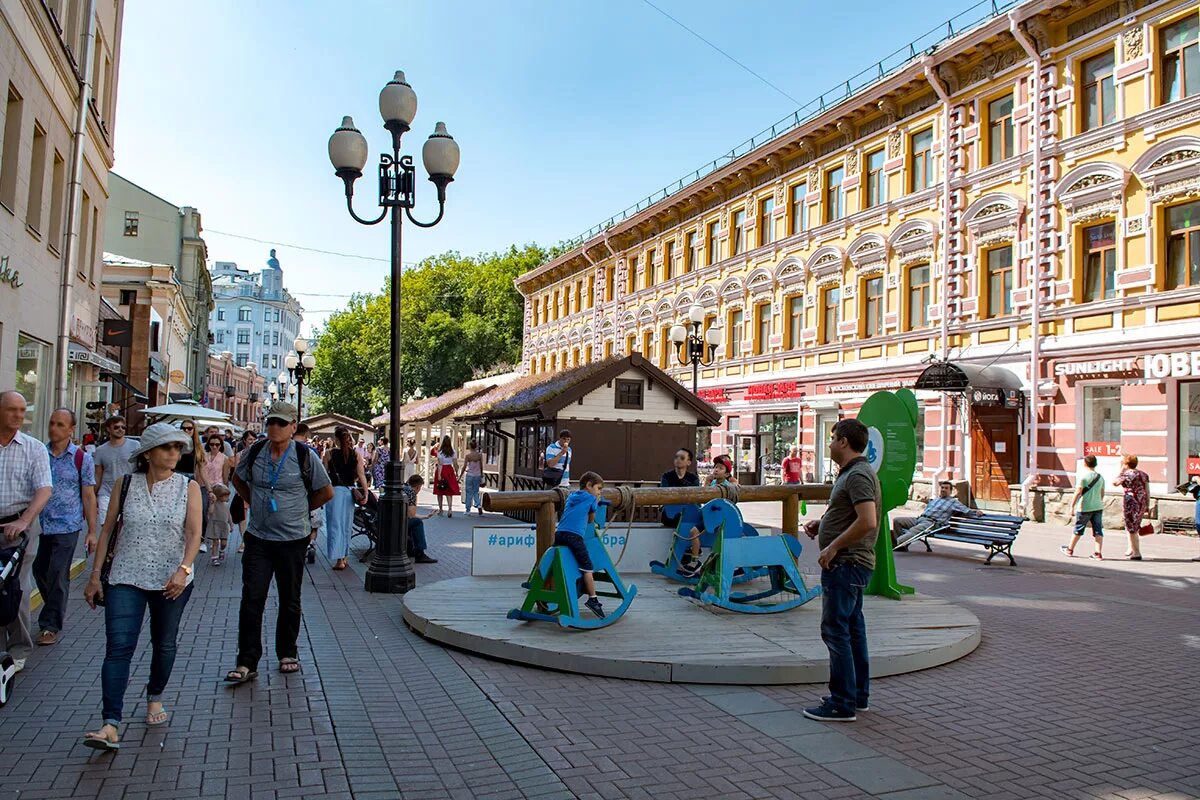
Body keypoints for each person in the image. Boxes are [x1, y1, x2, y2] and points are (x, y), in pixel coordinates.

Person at [81, 422, 202, 750]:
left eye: (178, 448)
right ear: (147, 454)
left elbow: (194, 534)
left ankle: (155, 695)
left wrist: (184, 569)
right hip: (125, 575)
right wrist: (95, 576)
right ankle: (110, 723)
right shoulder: (125, 484)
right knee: (119, 647)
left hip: (171, 579)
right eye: (167, 447)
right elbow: (107, 532)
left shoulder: (187, 487)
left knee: (164, 643)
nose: (174, 453)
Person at [226, 402, 332, 683]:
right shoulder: (255, 452)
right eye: (271, 422)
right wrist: (253, 501)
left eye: (281, 423)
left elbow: (326, 491)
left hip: (293, 540)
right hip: (259, 538)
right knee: (252, 599)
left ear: (293, 426)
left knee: (289, 598)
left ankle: (287, 652)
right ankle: (247, 661)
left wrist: (302, 510)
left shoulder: (304, 455)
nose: (274, 427)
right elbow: (237, 479)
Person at [799, 419, 880, 723]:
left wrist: (833, 546)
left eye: (833, 438)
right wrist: (824, 526)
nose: (830, 443)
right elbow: (852, 514)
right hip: (850, 563)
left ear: (844, 442)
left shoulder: (858, 475)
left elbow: (868, 520)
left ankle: (842, 702)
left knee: (836, 630)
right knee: (852, 630)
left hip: (846, 563)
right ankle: (857, 695)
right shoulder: (853, 474)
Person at [34, 408, 97, 646]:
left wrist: (92, 531)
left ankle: (50, 625)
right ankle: (53, 608)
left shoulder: (82, 458)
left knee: (58, 573)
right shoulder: (39, 453)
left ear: (71, 430)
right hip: (39, 525)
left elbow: (89, 497)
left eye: (60, 425)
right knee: (40, 570)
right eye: (52, 423)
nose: (54, 428)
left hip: (67, 525)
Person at [0, 391, 53, 675]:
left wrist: (25, 520)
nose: (19, 416)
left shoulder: (33, 448)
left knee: (16, 587)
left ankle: (19, 647)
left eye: (22, 410)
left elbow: (44, 488)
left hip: (21, 527)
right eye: (12, 410)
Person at [552, 471, 606, 618]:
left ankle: (551, 588)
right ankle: (593, 599)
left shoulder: (572, 495)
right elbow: (590, 520)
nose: (599, 492)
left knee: (558, 560)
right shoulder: (591, 498)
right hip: (574, 536)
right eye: (598, 488)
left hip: (559, 533)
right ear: (589, 485)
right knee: (588, 568)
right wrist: (597, 501)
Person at [679, 455, 736, 577]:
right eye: (715, 467)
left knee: (694, 532)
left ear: (726, 474)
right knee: (692, 530)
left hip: (718, 518)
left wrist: (734, 482)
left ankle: (695, 562)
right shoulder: (712, 483)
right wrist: (707, 482)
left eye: (720, 468)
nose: (716, 469)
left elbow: (733, 490)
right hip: (709, 515)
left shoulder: (728, 486)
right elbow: (704, 495)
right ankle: (694, 555)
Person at [890, 480, 982, 551]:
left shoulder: (953, 502)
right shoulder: (936, 499)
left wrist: (976, 512)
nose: (943, 490)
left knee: (913, 530)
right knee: (897, 520)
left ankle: (896, 543)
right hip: (920, 519)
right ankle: (902, 544)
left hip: (931, 523)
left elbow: (966, 510)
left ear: (951, 491)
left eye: (946, 488)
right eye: (942, 488)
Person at [323, 426, 367, 571]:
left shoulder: (329, 453)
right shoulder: (356, 455)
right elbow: (361, 475)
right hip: (349, 492)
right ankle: (345, 556)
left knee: (334, 525)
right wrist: (365, 493)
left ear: (336, 439)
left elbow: (324, 476)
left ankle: (339, 559)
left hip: (334, 492)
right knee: (346, 525)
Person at [92, 415, 138, 539]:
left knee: (125, 528)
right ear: (108, 429)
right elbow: (97, 474)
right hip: (106, 493)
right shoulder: (100, 450)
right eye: (116, 427)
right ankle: (107, 553)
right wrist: (93, 496)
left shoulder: (135, 446)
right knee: (106, 527)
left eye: (123, 427)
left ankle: (116, 551)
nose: (120, 429)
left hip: (129, 492)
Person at [1062, 454, 1105, 560]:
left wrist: (1072, 505)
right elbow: (1102, 493)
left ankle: (1070, 549)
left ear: (1085, 463)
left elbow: (1078, 492)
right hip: (1097, 506)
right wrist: (1098, 501)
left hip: (1084, 506)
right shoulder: (1100, 477)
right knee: (1098, 530)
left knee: (1079, 528)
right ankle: (1098, 553)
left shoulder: (1083, 477)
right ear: (1096, 464)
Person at [175, 420, 207, 553]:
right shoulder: (176, 445)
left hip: (190, 479)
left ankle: (199, 539)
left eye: (189, 428)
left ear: (194, 431)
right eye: (184, 428)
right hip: (175, 477)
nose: (186, 431)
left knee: (197, 511)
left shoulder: (197, 448)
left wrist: (209, 489)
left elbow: (202, 471)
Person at [1114, 454, 1150, 561]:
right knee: (1133, 525)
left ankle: (1136, 552)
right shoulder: (1143, 474)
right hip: (1141, 502)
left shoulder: (1126, 475)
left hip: (1130, 502)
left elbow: (1114, 483)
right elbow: (1147, 490)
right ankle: (1131, 548)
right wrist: (1147, 504)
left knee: (1131, 527)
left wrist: (1121, 471)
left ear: (1126, 464)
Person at [400, 474, 438, 563]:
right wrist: (415, 498)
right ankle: (419, 552)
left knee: (415, 521)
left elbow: (409, 514)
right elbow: (412, 515)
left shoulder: (403, 487)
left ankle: (410, 548)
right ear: (418, 487)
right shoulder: (411, 492)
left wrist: (425, 516)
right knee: (417, 522)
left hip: (391, 521)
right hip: (398, 523)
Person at [230, 431, 257, 554]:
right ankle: (244, 541)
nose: (252, 442)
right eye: (250, 439)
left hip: (256, 489)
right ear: (245, 441)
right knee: (243, 516)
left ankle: (252, 540)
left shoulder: (260, 454)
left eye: (253, 439)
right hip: (243, 489)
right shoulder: (239, 455)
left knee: (255, 516)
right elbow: (237, 474)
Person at [659, 447, 699, 527]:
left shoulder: (693, 478)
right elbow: (664, 495)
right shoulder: (666, 476)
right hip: (670, 513)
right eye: (676, 457)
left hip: (687, 511)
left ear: (689, 462)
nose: (678, 459)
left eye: (682, 458)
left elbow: (696, 497)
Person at [433, 435, 460, 516]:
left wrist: (439, 475)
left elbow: (440, 464)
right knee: (449, 492)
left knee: (440, 491)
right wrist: (457, 472)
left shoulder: (440, 452)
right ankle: (450, 509)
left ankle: (441, 509)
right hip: (450, 470)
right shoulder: (453, 452)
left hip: (442, 470)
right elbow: (455, 464)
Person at [460, 439, 485, 516]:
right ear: (476, 446)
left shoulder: (468, 456)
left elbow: (464, 467)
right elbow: (481, 466)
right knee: (475, 491)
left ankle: (468, 510)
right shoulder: (479, 455)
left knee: (468, 493)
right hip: (477, 475)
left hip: (470, 475)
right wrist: (481, 474)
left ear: (470, 447)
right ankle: (478, 504)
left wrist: (460, 475)